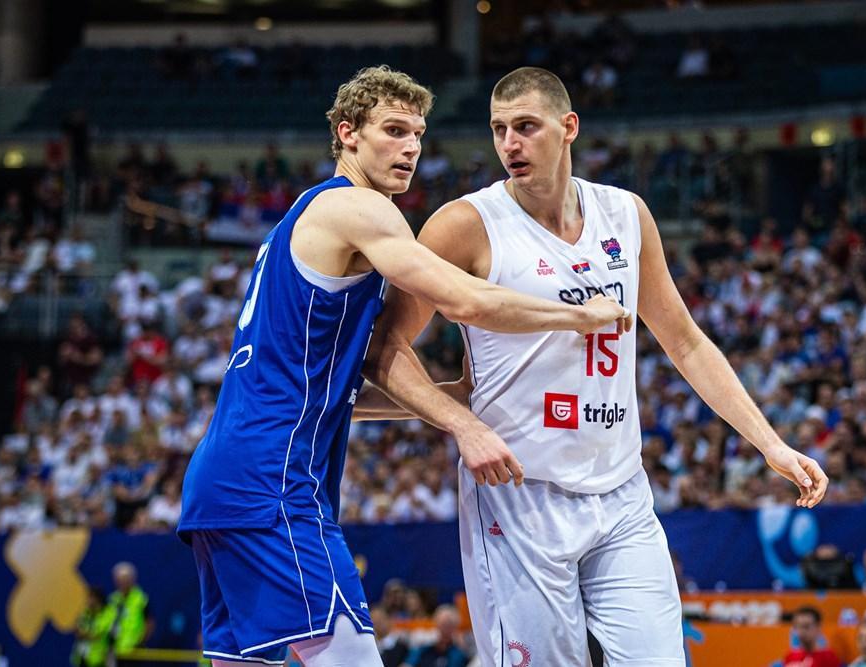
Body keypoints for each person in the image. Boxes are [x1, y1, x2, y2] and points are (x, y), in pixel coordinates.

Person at [355, 66, 828, 666]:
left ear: (569, 127)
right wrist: (462, 424)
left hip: (621, 490)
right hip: (519, 494)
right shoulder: (464, 224)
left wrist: (771, 444)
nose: (510, 144)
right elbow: (385, 350)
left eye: (526, 126)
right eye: (499, 129)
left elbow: (685, 342)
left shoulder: (625, 213)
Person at [178, 66, 629, 667]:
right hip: (272, 483)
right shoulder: (359, 208)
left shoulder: (303, 216)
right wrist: (577, 316)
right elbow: (464, 299)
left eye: (417, 134)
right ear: (348, 134)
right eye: (393, 131)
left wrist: (448, 399)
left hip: (222, 479)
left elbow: (334, 395)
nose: (411, 147)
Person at [106, 562, 150, 658]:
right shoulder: (113, 599)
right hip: (115, 649)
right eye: (120, 579)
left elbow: (149, 622)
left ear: (132, 580)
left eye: (126, 579)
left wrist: (141, 641)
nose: (123, 582)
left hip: (135, 650)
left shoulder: (140, 598)